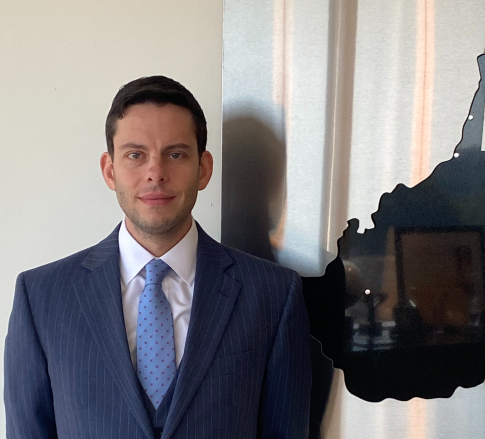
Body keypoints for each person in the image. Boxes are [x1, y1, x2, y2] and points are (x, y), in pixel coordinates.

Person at [4, 76, 311, 439]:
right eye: (135, 155)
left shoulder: (273, 294)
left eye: (176, 154)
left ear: (203, 168)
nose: (156, 173)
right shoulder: (41, 297)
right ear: (109, 170)